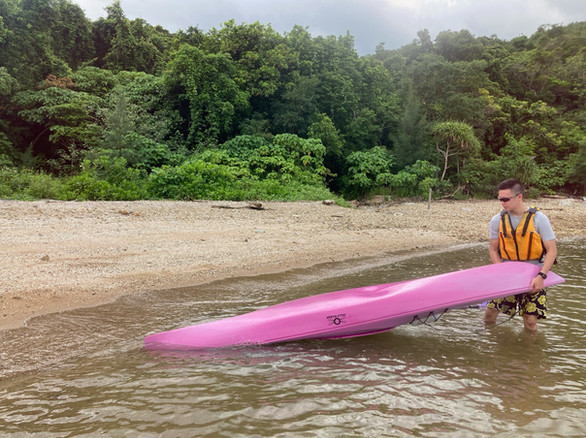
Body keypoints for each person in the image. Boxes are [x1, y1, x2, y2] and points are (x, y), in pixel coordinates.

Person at [483, 179, 558, 331]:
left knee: (530, 321)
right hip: (507, 274)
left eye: (506, 199)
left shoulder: (539, 219)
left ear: (519, 196)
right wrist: (500, 273)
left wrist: (541, 276)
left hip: (534, 275)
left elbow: (552, 250)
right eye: (500, 199)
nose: (503, 203)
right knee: (490, 315)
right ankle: (489, 344)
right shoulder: (497, 221)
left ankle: (529, 353)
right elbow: (493, 249)